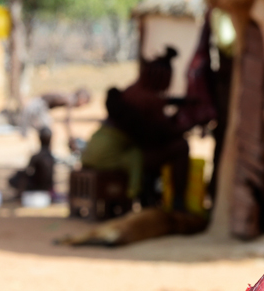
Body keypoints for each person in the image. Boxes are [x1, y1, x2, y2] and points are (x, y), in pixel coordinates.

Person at [81, 48, 194, 212]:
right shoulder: (150, 99)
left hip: (94, 150)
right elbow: (164, 132)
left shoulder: (132, 90)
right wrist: (191, 124)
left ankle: (151, 197)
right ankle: (177, 203)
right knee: (180, 147)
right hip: (113, 156)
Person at [8, 126, 56, 198]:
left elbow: (27, 171)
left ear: (39, 138)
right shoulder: (51, 157)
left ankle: (20, 195)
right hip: (46, 186)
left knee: (19, 176)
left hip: (37, 186)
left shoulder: (37, 156)